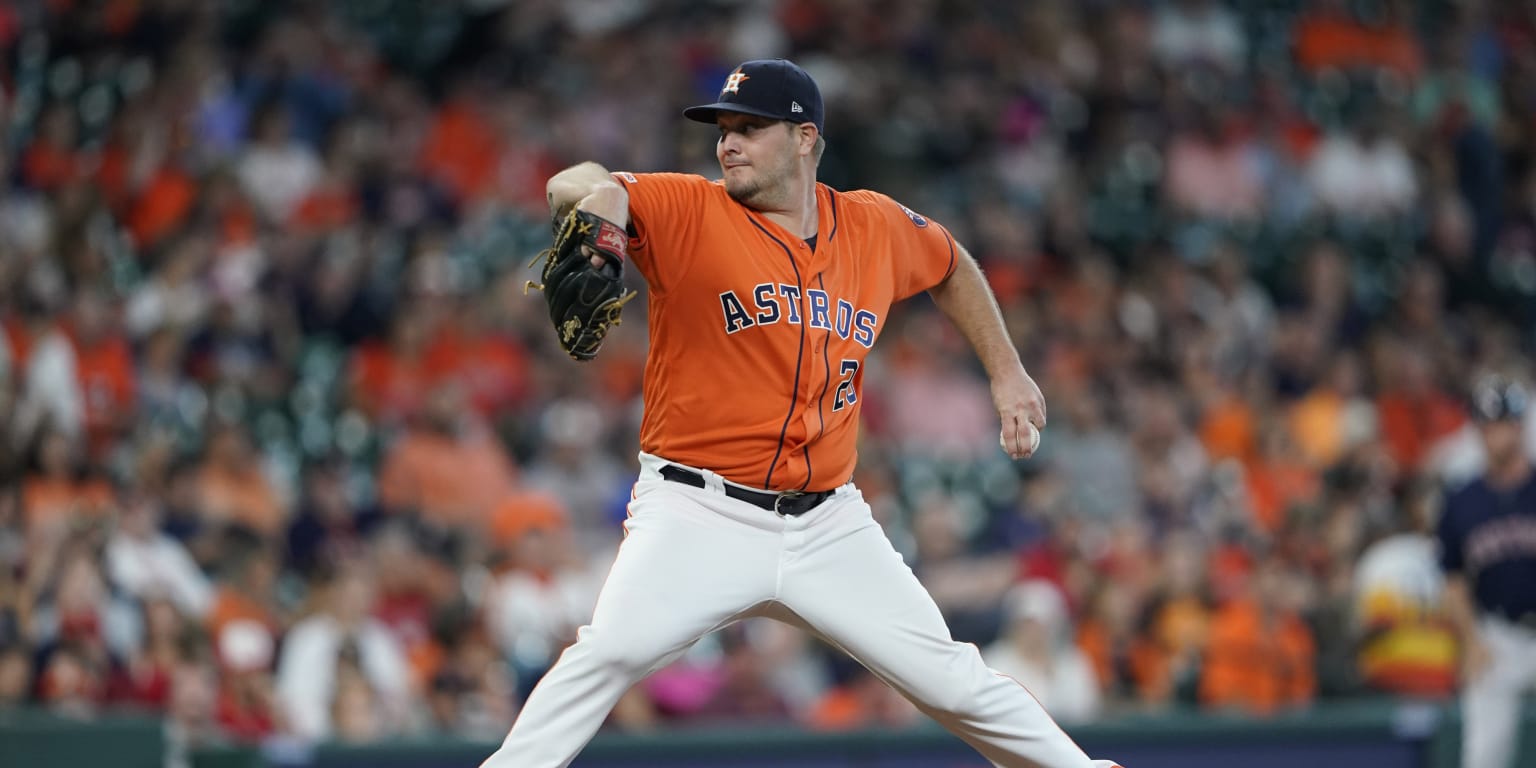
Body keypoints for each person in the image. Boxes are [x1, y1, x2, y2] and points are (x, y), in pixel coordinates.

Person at [480, 59, 1119, 768]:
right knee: (606, 654)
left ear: (805, 138)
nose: (728, 145)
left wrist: (1007, 372)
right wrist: (597, 211)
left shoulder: (874, 224)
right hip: (700, 512)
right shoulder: (690, 210)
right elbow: (573, 185)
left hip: (827, 524)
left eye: (750, 129)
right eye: (723, 131)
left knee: (955, 682)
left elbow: (951, 265)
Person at [1437, 375, 1536, 768]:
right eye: (1489, 424)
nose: (1497, 433)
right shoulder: (1462, 500)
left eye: (1505, 423)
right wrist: (1471, 640)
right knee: (1482, 758)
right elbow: (1453, 578)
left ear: (1520, 425)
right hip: (1498, 636)